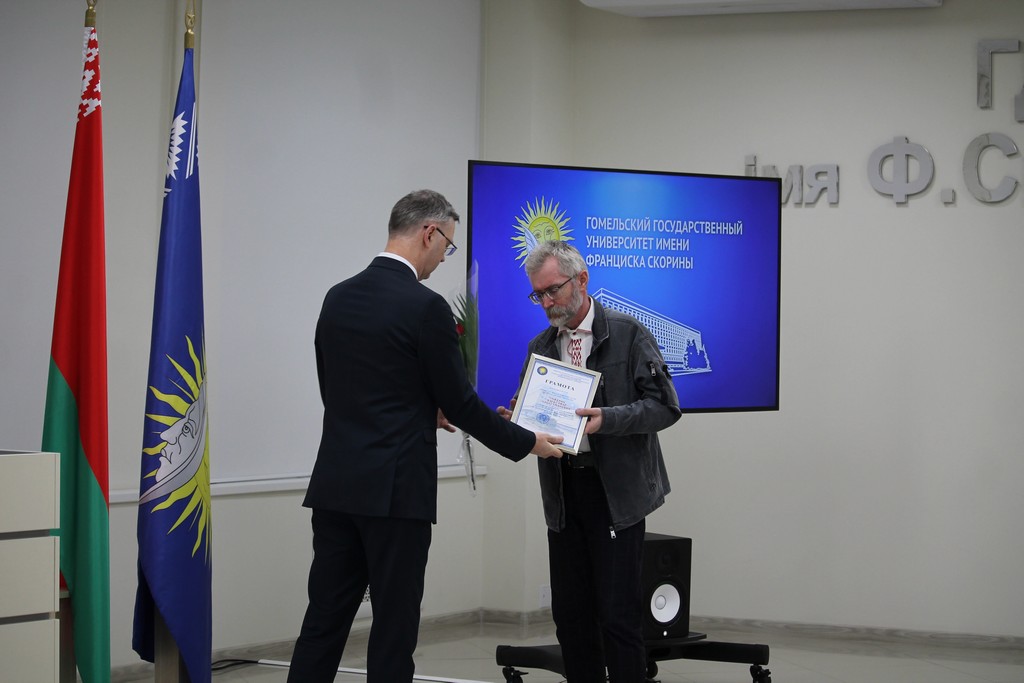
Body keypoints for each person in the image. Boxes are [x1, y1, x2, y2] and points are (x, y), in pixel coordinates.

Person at [288, 190, 564, 683]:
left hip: (335, 487)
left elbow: (341, 393)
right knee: (393, 632)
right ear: (429, 232)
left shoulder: (337, 297)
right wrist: (526, 442)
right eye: (447, 246)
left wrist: (418, 409)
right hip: (396, 495)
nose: (443, 257)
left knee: (323, 623)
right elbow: (461, 404)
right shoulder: (426, 307)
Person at [500, 240, 681, 683]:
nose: (546, 302)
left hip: (615, 493)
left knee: (618, 617)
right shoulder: (541, 345)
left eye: (553, 290)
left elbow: (665, 407)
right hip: (564, 494)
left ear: (582, 280)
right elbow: (532, 411)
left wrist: (607, 420)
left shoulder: (628, 333)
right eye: (538, 295)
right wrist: (519, 420)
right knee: (571, 617)